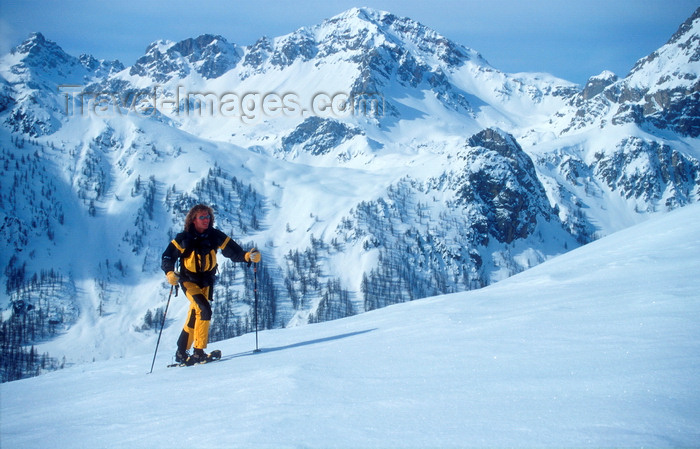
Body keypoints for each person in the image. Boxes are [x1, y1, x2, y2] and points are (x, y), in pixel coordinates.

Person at [161, 204, 261, 364]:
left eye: (208, 217)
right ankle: (198, 352)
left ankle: (181, 352)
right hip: (189, 281)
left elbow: (234, 251)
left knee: (196, 314)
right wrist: (169, 273)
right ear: (193, 220)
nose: (206, 220)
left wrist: (248, 256)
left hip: (206, 281)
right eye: (202, 217)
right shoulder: (183, 238)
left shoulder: (214, 235)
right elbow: (167, 257)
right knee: (204, 309)